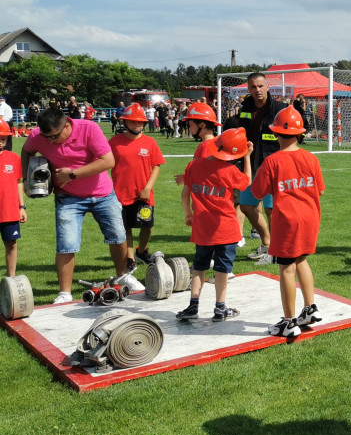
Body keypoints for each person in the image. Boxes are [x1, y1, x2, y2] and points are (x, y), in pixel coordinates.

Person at [21, 107, 139, 303]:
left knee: (117, 236)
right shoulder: (37, 135)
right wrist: (27, 179)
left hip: (102, 194)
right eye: (47, 137)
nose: (50, 141)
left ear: (67, 125)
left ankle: (123, 277)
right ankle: (64, 294)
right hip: (68, 197)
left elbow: (108, 161)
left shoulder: (89, 128)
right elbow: (26, 151)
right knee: (66, 244)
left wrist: (72, 174)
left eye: (55, 136)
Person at [251, 107, 326, 337]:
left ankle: (288, 321)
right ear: (299, 133)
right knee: (302, 258)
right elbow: (320, 191)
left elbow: (257, 192)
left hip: (288, 220)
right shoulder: (310, 157)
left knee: (286, 269)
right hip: (310, 217)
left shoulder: (272, 161)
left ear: (276, 133)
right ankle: (310, 308)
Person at [176, 128, 252, 322]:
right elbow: (247, 183)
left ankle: (193, 306)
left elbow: (185, 192)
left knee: (199, 267)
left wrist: (188, 214)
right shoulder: (230, 170)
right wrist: (248, 157)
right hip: (226, 229)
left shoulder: (194, 165)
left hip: (203, 228)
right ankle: (220, 307)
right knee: (222, 269)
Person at [224, 72, 288, 265]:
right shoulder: (245, 108)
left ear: (268, 87)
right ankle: (268, 243)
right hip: (250, 166)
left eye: (260, 86)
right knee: (246, 206)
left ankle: (276, 250)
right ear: (249, 89)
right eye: (253, 87)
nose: (257, 90)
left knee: (271, 210)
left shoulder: (280, 109)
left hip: (273, 166)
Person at [109, 103, 165, 273]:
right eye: (133, 122)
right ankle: (130, 258)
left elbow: (157, 165)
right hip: (120, 194)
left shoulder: (150, 142)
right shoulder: (114, 142)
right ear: (125, 123)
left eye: (140, 122)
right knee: (125, 228)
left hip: (144, 193)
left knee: (147, 226)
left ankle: (142, 251)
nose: (137, 125)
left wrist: (148, 187)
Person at [0, 121, 27, 277]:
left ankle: (11, 279)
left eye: (3, 138)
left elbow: (18, 183)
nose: (1, 141)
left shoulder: (13, 158)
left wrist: (22, 207)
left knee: (11, 244)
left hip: (9, 211)